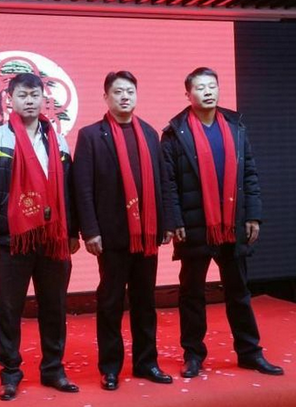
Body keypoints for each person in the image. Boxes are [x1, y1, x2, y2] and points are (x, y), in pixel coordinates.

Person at [161, 67, 284, 378]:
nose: (208, 92)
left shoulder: (235, 126)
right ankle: (193, 355)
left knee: (238, 291)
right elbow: (168, 183)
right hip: (194, 225)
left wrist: (253, 215)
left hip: (232, 223)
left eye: (212, 86)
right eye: (200, 87)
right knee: (192, 294)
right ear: (187, 94)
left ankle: (249, 352)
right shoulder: (175, 132)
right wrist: (174, 220)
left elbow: (250, 174)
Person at [0, 73, 80, 401]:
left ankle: (53, 369)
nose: (29, 101)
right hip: (11, 240)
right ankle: (10, 373)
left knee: (55, 306)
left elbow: (69, 191)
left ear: (44, 98)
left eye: (35, 95)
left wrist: (72, 231)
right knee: (8, 309)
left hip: (53, 239)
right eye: (22, 95)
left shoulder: (58, 141)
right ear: (10, 100)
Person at [73, 71, 173, 391]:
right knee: (111, 302)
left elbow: (161, 182)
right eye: (118, 92)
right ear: (106, 97)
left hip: (147, 235)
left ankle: (146, 363)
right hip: (111, 235)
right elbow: (82, 188)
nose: (125, 97)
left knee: (145, 302)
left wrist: (166, 223)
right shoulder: (91, 135)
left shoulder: (150, 133)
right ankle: (110, 367)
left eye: (130, 91)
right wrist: (90, 231)